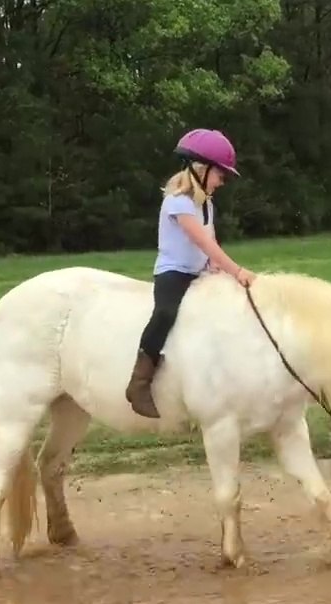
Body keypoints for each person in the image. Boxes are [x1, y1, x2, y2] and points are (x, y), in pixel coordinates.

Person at [124, 128, 256, 418]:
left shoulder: (205, 204)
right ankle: (139, 382)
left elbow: (211, 245)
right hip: (174, 272)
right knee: (165, 313)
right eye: (220, 175)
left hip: (199, 272)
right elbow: (203, 242)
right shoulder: (178, 202)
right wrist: (237, 271)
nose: (222, 182)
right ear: (201, 169)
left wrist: (217, 268)